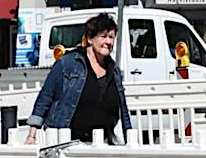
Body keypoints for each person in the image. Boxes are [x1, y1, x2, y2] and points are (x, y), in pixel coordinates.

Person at [24, 12, 130, 144]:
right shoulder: (67, 64)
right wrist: (32, 136)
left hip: (103, 142)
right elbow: (45, 98)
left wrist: (130, 138)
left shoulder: (114, 71)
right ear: (90, 39)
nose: (108, 42)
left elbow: (123, 109)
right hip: (68, 141)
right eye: (103, 36)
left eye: (111, 37)